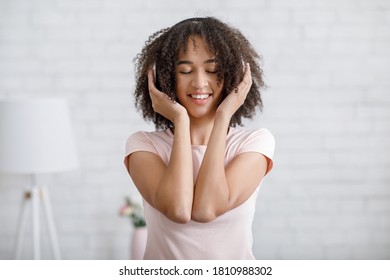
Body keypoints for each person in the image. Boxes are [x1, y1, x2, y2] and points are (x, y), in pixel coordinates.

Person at [124, 17, 275, 259]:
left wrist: (224, 115)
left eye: (213, 70)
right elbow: (179, 209)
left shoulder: (254, 143)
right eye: (185, 71)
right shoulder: (144, 145)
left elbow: (206, 208)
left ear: (232, 75)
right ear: (166, 78)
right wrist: (181, 120)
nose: (200, 82)